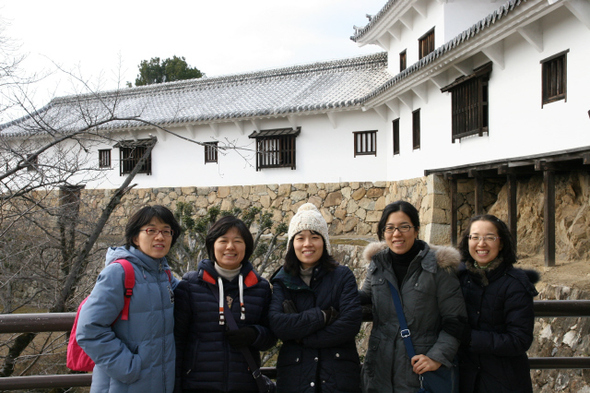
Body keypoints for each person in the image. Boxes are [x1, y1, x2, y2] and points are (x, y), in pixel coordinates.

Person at [360, 200, 467, 393]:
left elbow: (455, 320)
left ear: (416, 230)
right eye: (390, 228)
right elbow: (363, 298)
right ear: (383, 233)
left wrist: (437, 357)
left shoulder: (438, 267)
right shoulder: (378, 264)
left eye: (404, 227)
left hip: (418, 370)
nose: (396, 234)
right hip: (379, 370)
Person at [76, 205, 181, 393]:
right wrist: (129, 367)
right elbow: (89, 329)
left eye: (167, 231)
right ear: (135, 238)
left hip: (159, 382)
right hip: (123, 384)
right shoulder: (119, 273)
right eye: (151, 230)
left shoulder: (163, 274)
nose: (160, 237)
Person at [174, 215, 276, 393]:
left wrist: (254, 334)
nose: (230, 247)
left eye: (238, 241)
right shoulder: (190, 285)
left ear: (247, 247)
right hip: (197, 385)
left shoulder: (260, 288)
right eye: (223, 240)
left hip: (244, 385)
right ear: (212, 245)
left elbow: (271, 336)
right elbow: (178, 340)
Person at [268, 203, 362, 393]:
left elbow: (350, 323)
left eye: (315, 237)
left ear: (324, 242)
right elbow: (278, 324)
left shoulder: (342, 276)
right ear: (292, 244)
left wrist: (303, 339)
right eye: (300, 238)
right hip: (296, 377)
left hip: (338, 377)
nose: (307, 244)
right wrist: (322, 317)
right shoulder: (282, 279)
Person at [457, 214, 539, 393]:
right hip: (465, 379)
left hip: (505, 381)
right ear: (467, 241)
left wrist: (470, 338)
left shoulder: (515, 284)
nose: (481, 243)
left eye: (489, 238)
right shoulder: (459, 278)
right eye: (475, 237)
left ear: (501, 243)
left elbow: (519, 339)